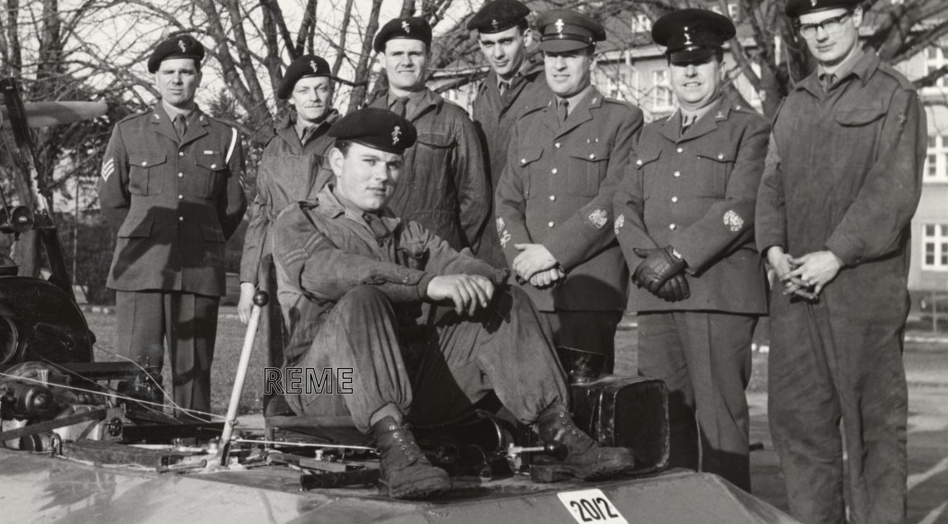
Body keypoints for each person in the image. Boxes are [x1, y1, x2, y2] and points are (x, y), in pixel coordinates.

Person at [273, 108, 636, 499]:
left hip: (403, 381)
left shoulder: (405, 230)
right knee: (362, 298)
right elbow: (327, 270)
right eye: (370, 162)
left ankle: (558, 437)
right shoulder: (298, 220)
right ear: (337, 161)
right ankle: (397, 455)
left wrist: (479, 279)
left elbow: (463, 263)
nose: (383, 176)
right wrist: (426, 284)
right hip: (317, 383)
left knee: (503, 302)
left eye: (393, 165)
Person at [756, 0, 927, 524]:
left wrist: (837, 253)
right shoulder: (795, 101)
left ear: (859, 19)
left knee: (871, 425)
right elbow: (770, 183)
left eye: (832, 21)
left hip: (862, 291)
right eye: (809, 26)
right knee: (800, 424)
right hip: (795, 290)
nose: (821, 34)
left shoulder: (895, 96)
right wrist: (773, 250)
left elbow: (893, 191)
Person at [614, 8, 770, 491]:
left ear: (721, 65)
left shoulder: (750, 128)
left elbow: (743, 205)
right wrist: (648, 262)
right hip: (657, 296)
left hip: (718, 294)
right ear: (669, 70)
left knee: (720, 424)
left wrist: (676, 255)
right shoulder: (650, 133)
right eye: (681, 64)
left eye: (701, 62)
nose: (691, 73)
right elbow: (624, 204)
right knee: (665, 421)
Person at [101, 33, 246, 415]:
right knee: (138, 369)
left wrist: (202, 238)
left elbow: (232, 206)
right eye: (169, 72)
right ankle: (135, 439)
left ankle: (192, 438)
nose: (177, 80)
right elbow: (113, 200)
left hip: (199, 269)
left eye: (186, 72)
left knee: (194, 370)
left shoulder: (225, 136)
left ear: (199, 77)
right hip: (141, 267)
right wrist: (144, 238)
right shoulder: (128, 131)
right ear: (156, 78)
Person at [493, 10, 643, 371]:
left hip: (588, 293)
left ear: (591, 58)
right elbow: (507, 201)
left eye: (571, 55)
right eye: (551, 56)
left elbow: (615, 199)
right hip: (529, 291)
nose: (559, 66)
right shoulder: (527, 125)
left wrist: (553, 252)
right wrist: (523, 260)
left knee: (588, 414)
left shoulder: (622, 119)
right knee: (530, 409)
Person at [368, 16, 497, 263]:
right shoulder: (366, 120)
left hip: (439, 256)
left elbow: (475, 197)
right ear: (383, 60)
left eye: (414, 53)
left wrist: (451, 251)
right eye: (396, 54)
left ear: (427, 57)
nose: (406, 61)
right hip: (380, 256)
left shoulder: (454, 119)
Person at [237, 54, 339, 325]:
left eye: (321, 88)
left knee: (324, 361)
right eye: (304, 90)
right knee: (280, 357)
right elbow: (260, 216)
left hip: (328, 265)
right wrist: (248, 281)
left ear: (331, 92)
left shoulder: (347, 141)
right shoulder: (274, 146)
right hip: (277, 267)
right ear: (292, 98)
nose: (314, 97)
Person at [466, 0, 551, 186]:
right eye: (489, 44)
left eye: (506, 41)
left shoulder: (549, 88)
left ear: (526, 38)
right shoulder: (483, 92)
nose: (498, 54)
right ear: (480, 45)